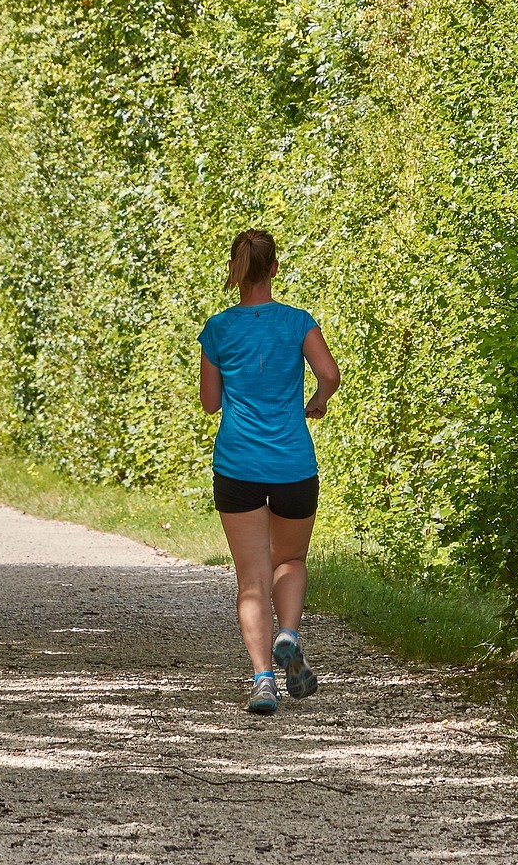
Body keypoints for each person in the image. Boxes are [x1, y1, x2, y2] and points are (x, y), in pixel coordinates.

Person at [198, 228, 341, 715]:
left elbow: (210, 403)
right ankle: (288, 633)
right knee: (291, 560)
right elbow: (330, 374)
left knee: (251, 579)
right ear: (274, 268)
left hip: (237, 465)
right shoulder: (298, 322)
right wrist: (315, 403)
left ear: (237, 272)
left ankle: (262, 681)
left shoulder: (217, 329)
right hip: (293, 464)